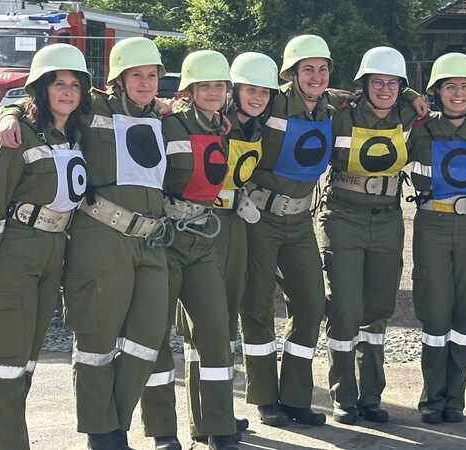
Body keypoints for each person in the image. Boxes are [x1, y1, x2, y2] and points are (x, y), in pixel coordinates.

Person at [239, 34, 429, 427]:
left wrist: (411, 95)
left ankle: (295, 397)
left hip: (302, 219)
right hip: (260, 218)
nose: (316, 75)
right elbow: (231, 100)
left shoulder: (330, 107)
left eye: (322, 68)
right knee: (257, 307)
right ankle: (264, 398)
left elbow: (390, 93)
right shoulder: (271, 102)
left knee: (310, 306)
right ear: (291, 72)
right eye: (307, 68)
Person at [0, 37, 172, 450]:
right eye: (136, 76)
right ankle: (101, 431)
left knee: (146, 340)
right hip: (99, 238)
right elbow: (46, 99)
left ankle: (118, 420)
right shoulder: (92, 107)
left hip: (150, 241)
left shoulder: (165, 116)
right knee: (96, 340)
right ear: (117, 78)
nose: (145, 84)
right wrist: (9, 112)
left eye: (152, 76)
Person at [0, 43, 90, 450]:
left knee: (22, 369)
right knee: (3, 366)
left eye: (75, 84)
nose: (67, 91)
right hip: (14, 251)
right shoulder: (17, 134)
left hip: (54, 251)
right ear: (40, 89)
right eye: (58, 84)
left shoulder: (73, 131)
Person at [172, 51, 278, 444]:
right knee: (204, 328)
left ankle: (220, 414)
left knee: (225, 322)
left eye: (263, 91)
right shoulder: (190, 120)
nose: (257, 97)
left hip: (235, 224)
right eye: (248, 89)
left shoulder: (248, 124)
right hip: (199, 226)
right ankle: (206, 423)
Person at [139, 50, 239, 450]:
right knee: (156, 337)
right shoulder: (167, 123)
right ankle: (163, 431)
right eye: (205, 85)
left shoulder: (222, 126)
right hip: (165, 241)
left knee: (216, 334)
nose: (213, 92)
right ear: (189, 90)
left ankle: (219, 425)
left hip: (202, 240)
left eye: (220, 85)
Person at [319, 46, 420, 425]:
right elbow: (313, 96)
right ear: (363, 84)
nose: (385, 89)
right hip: (342, 217)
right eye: (377, 81)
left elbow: (447, 111)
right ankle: (343, 395)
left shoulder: (410, 115)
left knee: (378, 311)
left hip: (389, 219)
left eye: (393, 83)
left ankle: (371, 395)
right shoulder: (339, 116)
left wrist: (413, 95)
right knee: (345, 308)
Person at [407, 52, 466, 425]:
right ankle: (432, 397)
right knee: (435, 313)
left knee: (465, 315)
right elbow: (382, 95)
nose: (457, 93)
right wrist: (410, 95)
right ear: (436, 92)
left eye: (464, 86)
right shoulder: (420, 128)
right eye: (449, 87)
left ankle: (455, 398)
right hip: (433, 226)